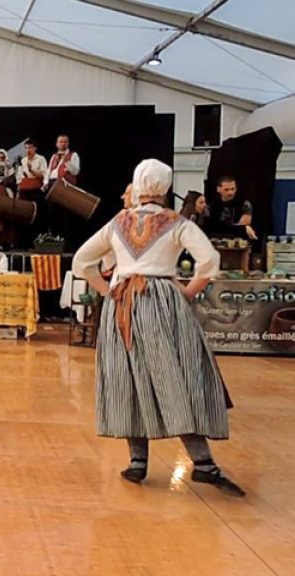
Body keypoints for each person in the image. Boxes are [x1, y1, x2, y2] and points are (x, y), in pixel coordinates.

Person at [72, 158, 244, 497]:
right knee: (176, 376)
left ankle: (138, 461)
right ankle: (203, 463)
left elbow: (82, 261)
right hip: (163, 300)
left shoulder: (118, 222)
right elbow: (210, 260)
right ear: (165, 188)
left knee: (128, 377)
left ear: (137, 186)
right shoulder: (176, 222)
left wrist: (108, 292)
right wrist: (188, 292)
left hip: (122, 304)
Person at [16, 138, 47, 249]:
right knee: (24, 215)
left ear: (35, 148)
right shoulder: (23, 160)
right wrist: (18, 189)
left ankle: (36, 242)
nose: (28, 150)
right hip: (24, 190)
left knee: (36, 216)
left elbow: (43, 175)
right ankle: (24, 243)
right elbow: (19, 177)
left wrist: (31, 170)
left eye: (30, 147)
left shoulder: (41, 159)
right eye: (26, 148)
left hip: (35, 189)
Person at [207, 176, 256, 240]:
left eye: (233, 189)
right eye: (226, 189)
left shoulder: (244, 204)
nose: (230, 192)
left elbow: (244, 226)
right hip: (217, 240)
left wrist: (222, 227)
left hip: (238, 240)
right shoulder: (212, 206)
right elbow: (212, 227)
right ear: (218, 189)